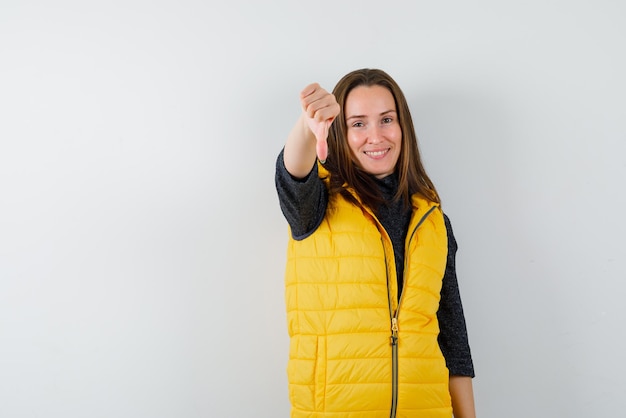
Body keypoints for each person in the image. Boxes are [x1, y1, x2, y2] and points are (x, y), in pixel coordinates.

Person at [275, 68, 476, 418]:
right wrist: (307, 127)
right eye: (358, 124)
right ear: (339, 130)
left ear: (403, 127)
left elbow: (454, 341)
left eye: (386, 119)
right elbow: (293, 172)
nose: (376, 136)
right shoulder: (316, 204)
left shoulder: (434, 222)